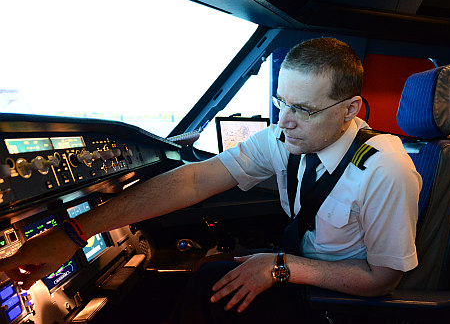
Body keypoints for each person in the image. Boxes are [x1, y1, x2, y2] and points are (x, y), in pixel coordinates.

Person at [0, 38, 421, 323]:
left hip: (335, 302)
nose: (285, 121)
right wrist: (75, 232)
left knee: (206, 285)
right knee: (199, 273)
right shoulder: (285, 137)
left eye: (305, 110)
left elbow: (383, 279)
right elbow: (195, 181)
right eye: (281, 102)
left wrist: (282, 268)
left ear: (350, 110)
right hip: (299, 266)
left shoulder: (386, 169)